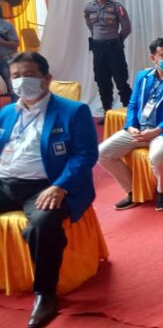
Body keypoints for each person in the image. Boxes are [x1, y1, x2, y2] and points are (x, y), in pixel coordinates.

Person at [0, 52, 98, 328]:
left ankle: (45, 294)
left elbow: (86, 155)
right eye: (16, 76)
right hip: (6, 182)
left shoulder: (73, 111)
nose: (22, 81)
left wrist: (60, 186)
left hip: (47, 185)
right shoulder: (6, 113)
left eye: (29, 75)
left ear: (47, 78)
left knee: (43, 224)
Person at [98, 38, 163, 211]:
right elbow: (133, 105)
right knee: (102, 153)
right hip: (141, 129)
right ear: (153, 58)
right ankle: (133, 191)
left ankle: (161, 191)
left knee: (157, 155)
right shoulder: (143, 77)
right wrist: (131, 126)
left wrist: (156, 131)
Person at [84, 0, 132, 121]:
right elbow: (90, 25)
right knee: (102, 81)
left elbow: (126, 27)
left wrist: (118, 40)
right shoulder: (89, 7)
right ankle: (107, 112)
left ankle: (129, 112)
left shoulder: (117, 7)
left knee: (121, 80)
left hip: (114, 48)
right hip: (98, 49)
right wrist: (97, 38)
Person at [0, 17, 19, 101]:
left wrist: (2, 42)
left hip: (7, 59)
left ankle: (16, 106)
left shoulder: (6, 25)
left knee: (13, 86)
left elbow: (16, 44)